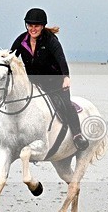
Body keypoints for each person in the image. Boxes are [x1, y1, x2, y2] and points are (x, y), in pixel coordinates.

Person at [6, 8, 89, 151]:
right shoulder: (22, 40)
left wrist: (66, 77)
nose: (33, 29)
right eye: (30, 26)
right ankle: (5, 134)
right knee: (16, 103)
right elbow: (10, 58)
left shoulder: (51, 40)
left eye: (36, 26)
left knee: (66, 105)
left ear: (42, 26)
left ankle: (77, 135)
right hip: (33, 83)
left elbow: (61, 59)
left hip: (55, 82)